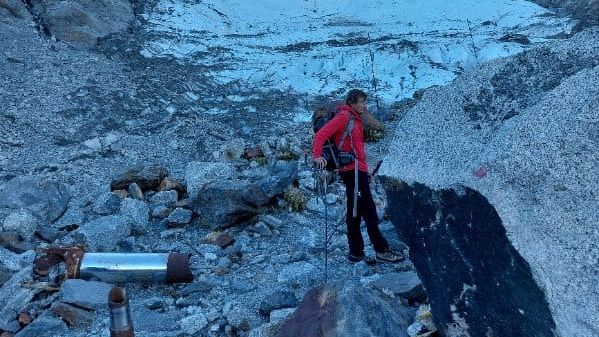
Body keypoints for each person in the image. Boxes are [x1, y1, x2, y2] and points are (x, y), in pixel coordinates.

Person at [312, 89, 403, 263]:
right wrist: (317, 156)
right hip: (351, 171)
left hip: (356, 171)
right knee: (369, 210)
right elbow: (321, 135)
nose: (364, 105)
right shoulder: (344, 117)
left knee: (355, 211)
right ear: (351, 103)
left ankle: (356, 252)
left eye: (364, 102)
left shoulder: (355, 119)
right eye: (361, 102)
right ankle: (381, 250)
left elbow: (357, 149)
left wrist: (364, 170)